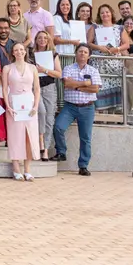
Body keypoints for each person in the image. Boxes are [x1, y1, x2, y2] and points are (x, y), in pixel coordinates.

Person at [53, 44, 101, 175]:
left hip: (88, 107)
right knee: (58, 127)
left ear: (89, 55)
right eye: (80, 51)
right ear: (76, 53)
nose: (82, 54)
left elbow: (95, 88)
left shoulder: (93, 70)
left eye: (85, 52)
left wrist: (77, 86)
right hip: (70, 106)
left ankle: (83, 165)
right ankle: (61, 152)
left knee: (85, 138)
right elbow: (67, 84)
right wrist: (85, 84)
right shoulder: (68, 68)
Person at [1, 42, 41, 181]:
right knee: (15, 136)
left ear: (25, 51)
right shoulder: (7, 68)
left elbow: (36, 89)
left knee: (29, 136)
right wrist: (8, 106)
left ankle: (28, 169)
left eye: (21, 49)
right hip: (14, 105)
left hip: (29, 105)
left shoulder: (33, 68)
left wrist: (36, 106)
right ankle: (16, 167)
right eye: (16, 50)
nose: (19, 52)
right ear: (12, 52)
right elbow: (5, 89)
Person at [31, 30, 62, 160]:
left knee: (49, 119)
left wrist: (44, 70)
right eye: (39, 38)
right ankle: (39, 142)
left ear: (48, 40)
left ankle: (45, 149)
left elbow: (59, 74)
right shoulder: (30, 55)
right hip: (35, 87)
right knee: (41, 113)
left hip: (49, 88)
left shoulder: (53, 55)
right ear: (36, 40)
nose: (42, 40)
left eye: (45, 38)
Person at [89, 4, 125, 113]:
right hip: (99, 63)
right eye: (102, 12)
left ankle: (113, 116)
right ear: (99, 15)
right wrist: (99, 47)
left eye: (107, 12)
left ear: (111, 13)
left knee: (114, 88)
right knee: (99, 87)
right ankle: (100, 115)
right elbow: (88, 43)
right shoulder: (95, 27)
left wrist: (117, 49)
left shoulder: (119, 28)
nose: (105, 14)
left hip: (115, 64)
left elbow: (126, 44)